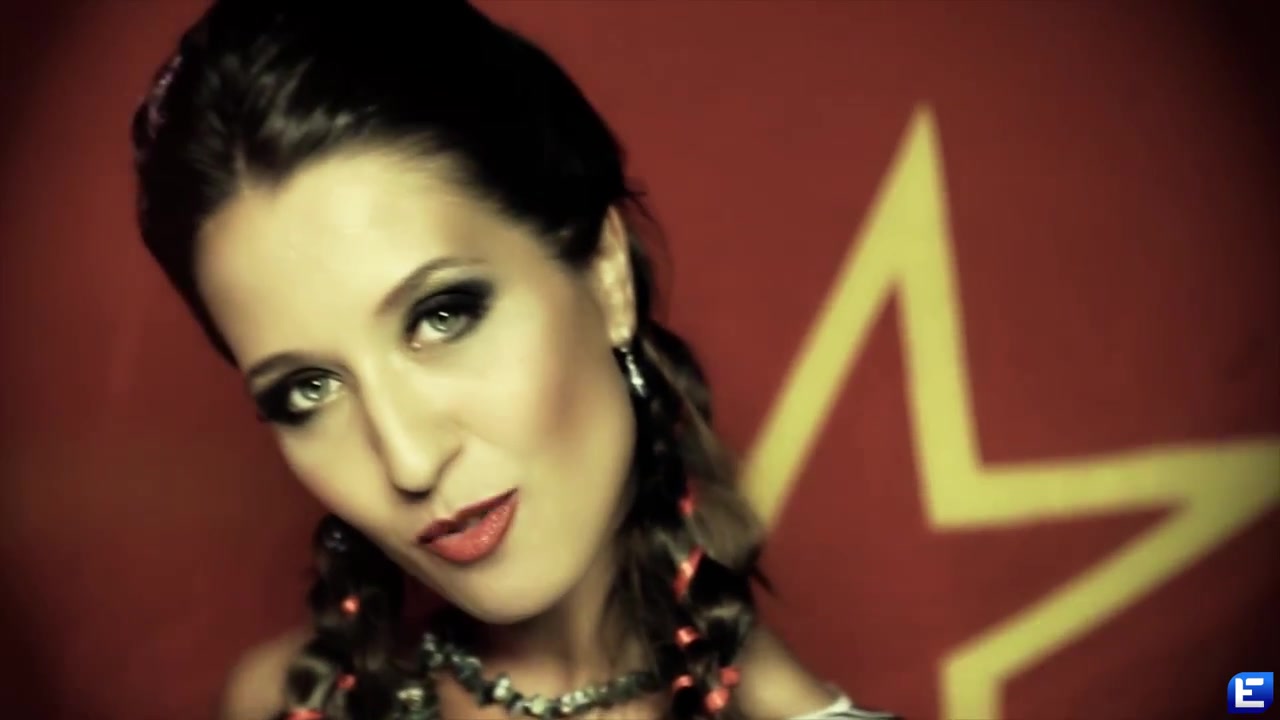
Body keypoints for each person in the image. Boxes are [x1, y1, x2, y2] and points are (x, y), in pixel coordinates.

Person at [131, 2, 895, 719]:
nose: (408, 461)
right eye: (309, 389)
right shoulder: (288, 702)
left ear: (606, 276)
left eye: (443, 315)